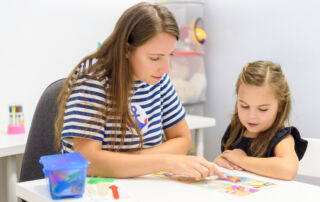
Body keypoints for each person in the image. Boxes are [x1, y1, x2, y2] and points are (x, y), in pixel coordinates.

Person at [54, 2, 223, 180]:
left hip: (140, 184)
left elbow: (183, 140)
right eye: (155, 58)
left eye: (170, 55)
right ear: (127, 50)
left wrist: (128, 162)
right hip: (92, 187)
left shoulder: (159, 80)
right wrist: (164, 161)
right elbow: (87, 161)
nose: (166, 69)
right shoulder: (92, 79)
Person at [214, 61, 308, 180]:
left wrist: (243, 160)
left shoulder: (281, 138)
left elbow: (288, 170)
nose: (252, 116)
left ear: (280, 106)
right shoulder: (235, 131)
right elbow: (229, 163)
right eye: (244, 106)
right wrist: (220, 161)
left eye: (263, 109)